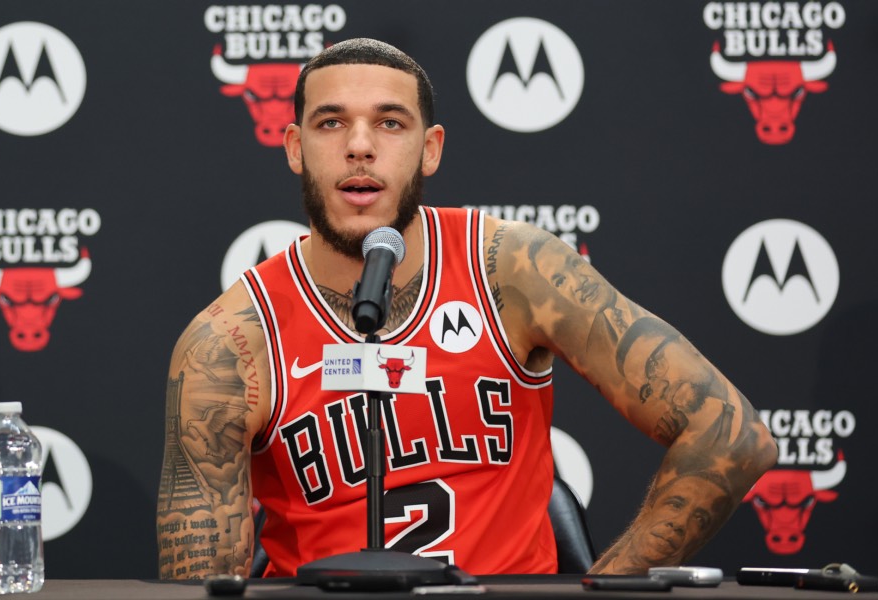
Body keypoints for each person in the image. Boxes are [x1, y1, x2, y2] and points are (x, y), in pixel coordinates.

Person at [156, 38, 775, 579]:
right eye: (331, 123)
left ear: (431, 149)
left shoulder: (514, 270)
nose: (361, 146)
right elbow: (200, 581)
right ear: (294, 147)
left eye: (390, 123)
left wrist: (605, 590)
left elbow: (733, 435)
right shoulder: (232, 343)